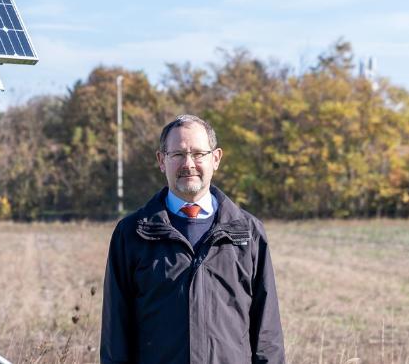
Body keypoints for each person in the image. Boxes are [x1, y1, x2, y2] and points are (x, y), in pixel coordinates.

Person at [100, 114, 285, 363]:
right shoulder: (132, 234)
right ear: (161, 160)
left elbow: (267, 334)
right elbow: (115, 336)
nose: (188, 163)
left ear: (216, 158)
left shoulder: (249, 233)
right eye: (177, 154)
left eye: (198, 153)